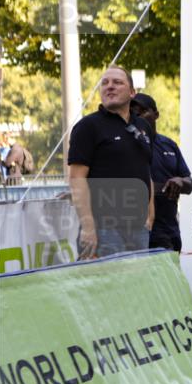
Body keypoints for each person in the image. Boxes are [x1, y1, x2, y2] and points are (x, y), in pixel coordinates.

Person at [68, 65, 154, 259]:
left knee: (134, 287)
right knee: (103, 287)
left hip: (138, 228)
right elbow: (76, 178)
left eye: (117, 82)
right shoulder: (87, 127)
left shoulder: (144, 127)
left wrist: (150, 215)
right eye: (105, 83)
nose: (110, 86)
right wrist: (88, 226)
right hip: (103, 229)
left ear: (132, 92)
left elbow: (146, 171)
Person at [130, 93, 192, 251]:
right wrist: (160, 189)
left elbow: (189, 183)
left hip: (170, 227)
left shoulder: (169, 145)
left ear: (156, 115)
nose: (137, 115)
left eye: (143, 111)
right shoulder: (127, 144)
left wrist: (179, 182)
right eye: (133, 112)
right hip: (142, 230)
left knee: (172, 274)